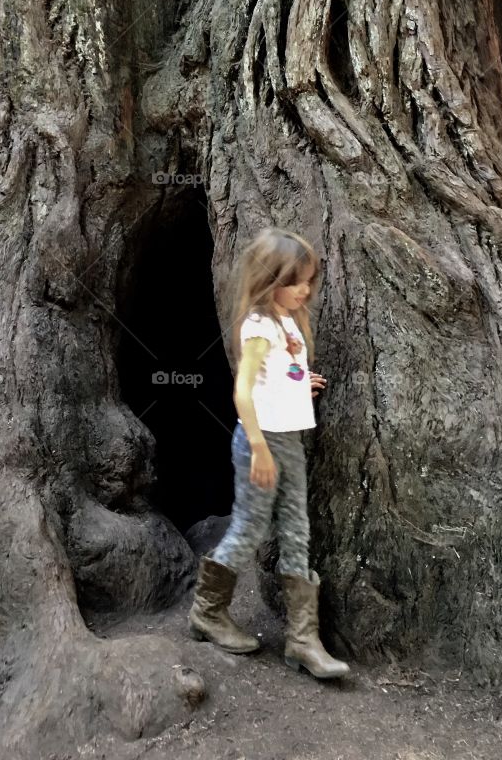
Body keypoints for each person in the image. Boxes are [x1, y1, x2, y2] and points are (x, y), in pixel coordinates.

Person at [187, 227, 349, 680]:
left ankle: (302, 640)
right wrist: (258, 448)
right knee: (251, 527)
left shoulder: (286, 319)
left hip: (289, 439)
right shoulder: (258, 326)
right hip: (260, 443)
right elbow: (242, 391)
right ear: (268, 280)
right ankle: (208, 611)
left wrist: (302, 381)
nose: (305, 289)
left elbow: (278, 375)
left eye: (308, 281)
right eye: (295, 281)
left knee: (297, 530)